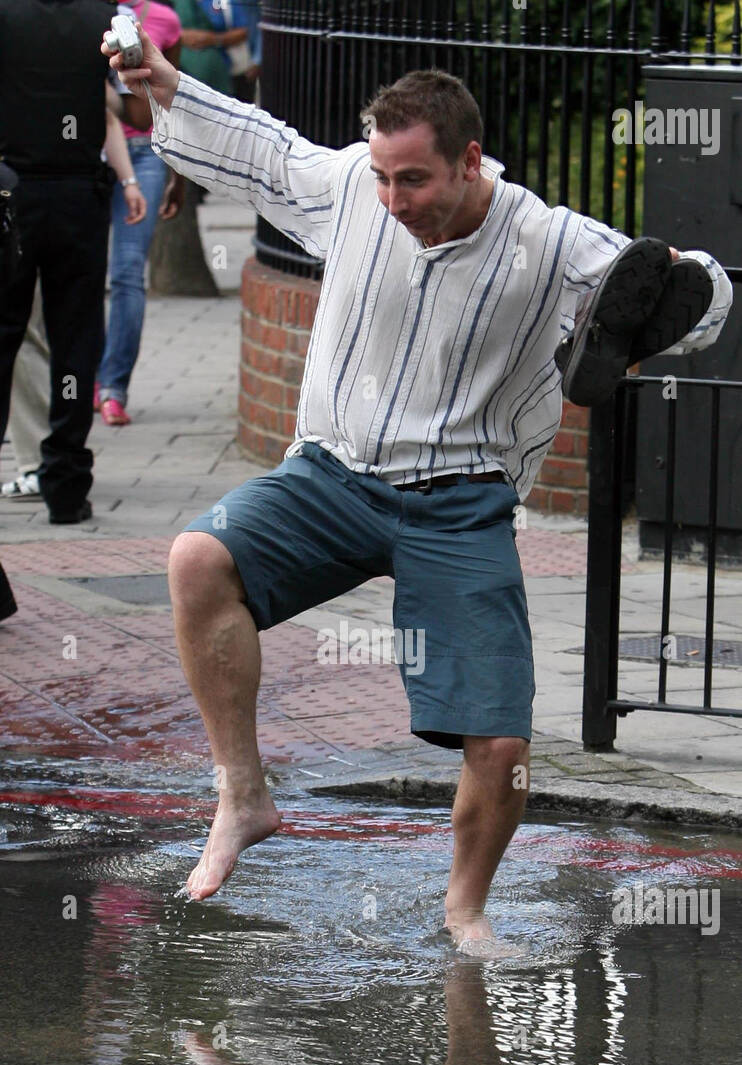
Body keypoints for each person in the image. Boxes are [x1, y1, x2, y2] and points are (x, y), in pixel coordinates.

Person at [106, 28, 732, 950]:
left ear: (470, 160)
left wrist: (675, 292)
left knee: (504, 747)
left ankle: (463, 910)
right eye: (383, 178)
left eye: (414, 181)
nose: (393, 199)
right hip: (333, 473)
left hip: (461, 498)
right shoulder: (353, 189)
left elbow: (704, 299)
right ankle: (243, 796)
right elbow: (263, 146)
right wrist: (166, 86)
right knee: (199, 558)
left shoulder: (550, 240)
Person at [0, 0, 151, 524]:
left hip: (10, 192)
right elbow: (123, 106)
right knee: (76, 338)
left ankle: (39, 469)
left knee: (5, 338)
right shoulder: (104, 18)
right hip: (78, 196)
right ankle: (65, 483)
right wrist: (130, 179)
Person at [97, 1, 184, 426]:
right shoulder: (82, 15)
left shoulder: (165, 20)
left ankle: (113, 388)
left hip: (145, 156)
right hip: (90, 155)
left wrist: (178, 176)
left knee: (128, 273)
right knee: (83, 273)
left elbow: (174, 101)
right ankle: (81, 380)